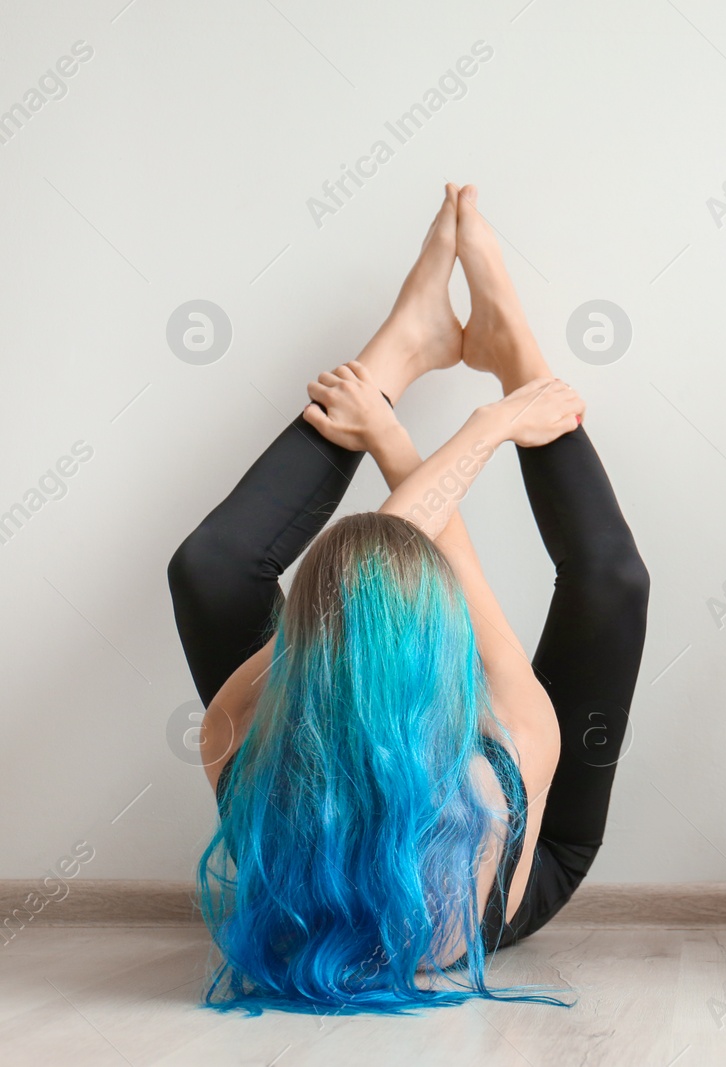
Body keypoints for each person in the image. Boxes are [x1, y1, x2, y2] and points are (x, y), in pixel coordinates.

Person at [166, 186, 649, 1013]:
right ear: (444, 636)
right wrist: (488, 425)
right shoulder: (510, 751)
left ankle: (398, 354)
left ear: (301, 640)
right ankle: (523, 362)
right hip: (512, 872)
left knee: (208, 569)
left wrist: (393, 416)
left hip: (350, 866)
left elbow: (358, 584)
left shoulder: (235, 729)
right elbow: (446, 554)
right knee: (613, 585)